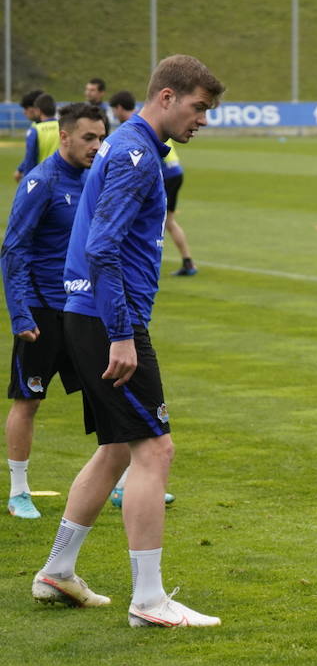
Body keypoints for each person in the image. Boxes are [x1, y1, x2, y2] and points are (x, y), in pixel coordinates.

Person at [29, 54, 223, 627]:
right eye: (199, 107)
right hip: (108, 319)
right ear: (166, 97)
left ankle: (58, 571)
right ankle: (148, 600)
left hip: (86, 312)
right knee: (155, 450)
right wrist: (121, 334)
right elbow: (103, 247)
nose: (203, 120)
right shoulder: (138, 156)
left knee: (117, 447)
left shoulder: (126, 146)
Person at [3, 104, 107, 520]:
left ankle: (118, 484)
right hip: (43, 310)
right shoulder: (40, 183)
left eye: (101, 138)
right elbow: (13, 249)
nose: (96, 146)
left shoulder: (94, 180)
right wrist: (20, 313)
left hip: (84, 308)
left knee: (106, 395)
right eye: (88, 138)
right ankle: (18, 491)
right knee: (29, 399)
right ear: (64, 136)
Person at [112, 90, 196, 278]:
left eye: (114, 110)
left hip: (164, 173)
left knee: (144, 219)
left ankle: (140, 262)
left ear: (118, 108)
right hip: (175, 171)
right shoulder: (147, 118)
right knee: (169, 221)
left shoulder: (136, 125)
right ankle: (187, 260)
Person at [13, 93, 59, 183]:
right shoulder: (64, 126)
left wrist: (27, 181)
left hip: (43, 177)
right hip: (62, 177)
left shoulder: (35, 129)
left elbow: (30, 158)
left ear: (38, 110)